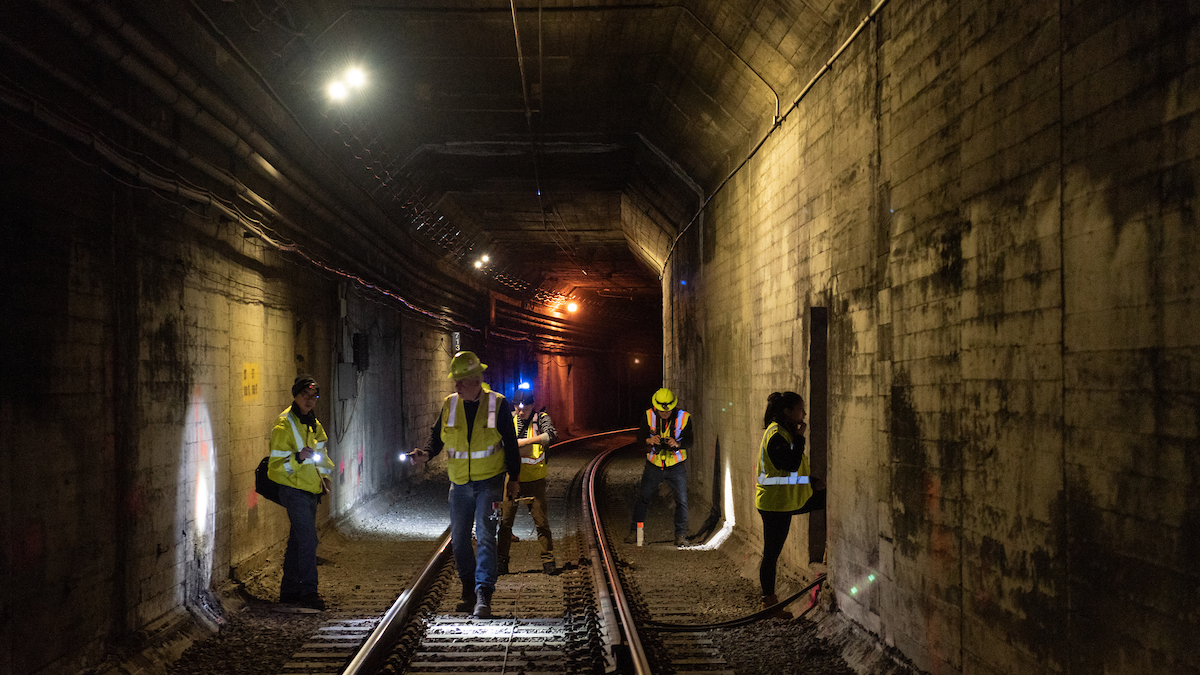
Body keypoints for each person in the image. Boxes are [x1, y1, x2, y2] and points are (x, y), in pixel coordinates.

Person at [408, 351, 520, 619]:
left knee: (485, 536)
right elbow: (437, 437)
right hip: (459, 484)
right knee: (458, 540)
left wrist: (514, 479)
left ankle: (483, 592)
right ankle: (468, 588)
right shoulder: (450, 404)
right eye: (455, 381)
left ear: (476, 379)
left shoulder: (498, 404)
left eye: (461, 381)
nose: (456, 385)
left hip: (490, 482)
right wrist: (425, 454)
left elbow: (511, 444)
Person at [268, 375, 335, 610]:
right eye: (305, 396)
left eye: (313, 396)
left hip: (310, 489)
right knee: (308, 540)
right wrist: (297, 457)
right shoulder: (284, 424)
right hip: (293, 490)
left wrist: (325, 477)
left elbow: (322, 453)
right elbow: (275, 466)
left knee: (297, 541)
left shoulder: (312, 424)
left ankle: (289, 590)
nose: (309, 400)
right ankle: (309, 592)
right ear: (295, 396)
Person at [756, 391, 826, 611]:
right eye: (800, 409)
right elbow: (791, 464)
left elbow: (792, 472)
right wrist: (801, 438)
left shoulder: (784, 433)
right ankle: (768, 601)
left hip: (785, 500)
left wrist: (813, 482)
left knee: (826, 499)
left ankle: (769, 599)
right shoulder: (777, 434)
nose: (804, 413)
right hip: (776, 504)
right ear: (787, 411)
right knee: (771, 553)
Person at [497, 389, 559, 576]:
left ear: (533, 405)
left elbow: (551, 436)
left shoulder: (541, 418)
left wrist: (523, 442)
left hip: (535, 479)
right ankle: (501, 562)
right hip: (512, 478)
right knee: (505, 522)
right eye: (517, 407)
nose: (520, 411)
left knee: (541, 522)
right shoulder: (509, 420)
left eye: (524, 407)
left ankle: (548, 561)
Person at [625, 387, 693, 547]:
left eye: (667, 410)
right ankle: (636, 533)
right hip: (654, 464)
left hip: (676, 466)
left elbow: (690, 440)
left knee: (682, 501)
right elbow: (640, 438)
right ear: (656, 406)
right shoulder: (648, 415)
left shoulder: (684, 417)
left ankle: (680, 535)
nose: (664, 413)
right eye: (662, 411)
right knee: (643, 498)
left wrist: (677, 444)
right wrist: (650, 440)